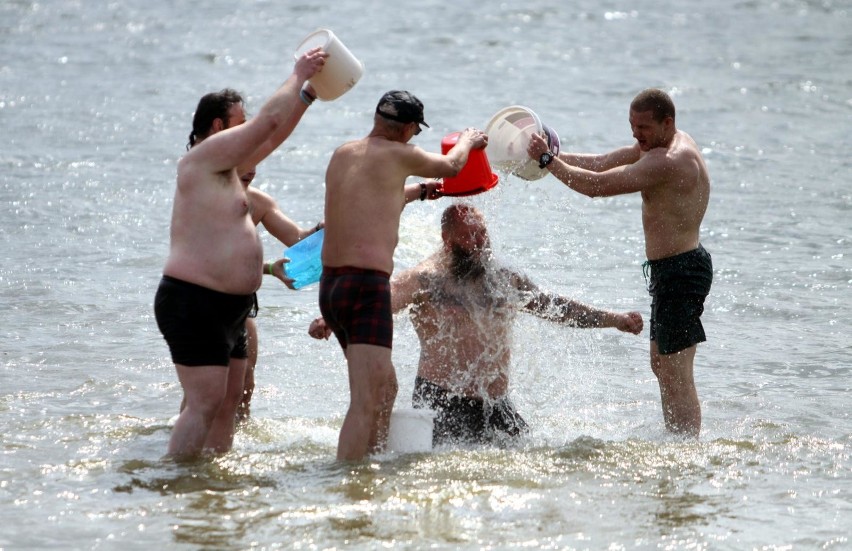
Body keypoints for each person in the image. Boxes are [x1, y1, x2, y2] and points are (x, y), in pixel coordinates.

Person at [310, 204, 644, 445]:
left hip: (496, 405)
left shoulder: (503, 278)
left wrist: (613, 319)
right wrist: (333, 317)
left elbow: (553, 307)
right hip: (442, 402)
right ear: (447, 239)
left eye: (483, 233)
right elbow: (379, 302)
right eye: (470, 236)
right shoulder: (425, 279)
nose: (480, 242)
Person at [154, 46, 327, 459]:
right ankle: (178, 480)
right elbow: (267, 122)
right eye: (240, 123)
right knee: (203, 402)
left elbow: (274, 133)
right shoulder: (200, 161)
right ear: (219, 126)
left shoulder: (228, 170)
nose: (249, 130)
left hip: (233, 307)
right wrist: (298, 73)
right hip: (195, 300)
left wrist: (307, 97)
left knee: (232, 400)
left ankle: (214, 479)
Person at [526, 88, 712, 437]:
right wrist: (550, 155)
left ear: (667, 123)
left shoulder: (667, 162)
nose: (634, 134)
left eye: (642, 126)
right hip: (672, 271)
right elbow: (600, 162)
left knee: (675, 371)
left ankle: (686, 447)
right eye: (631, 124)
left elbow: (596, 186)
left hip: (682, 272)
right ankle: (677, 436)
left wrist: (550, 163)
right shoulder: (656, 146)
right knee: (661, 365)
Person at [319, 90, 489, 461]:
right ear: (409, 128)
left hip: (332, 286)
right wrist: (468, 141)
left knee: (385, 388)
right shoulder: (401, 153)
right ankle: (347, 483)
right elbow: (453, 166)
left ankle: (376, 461)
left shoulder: (344, 154)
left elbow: (374, 199)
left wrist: (421, 192)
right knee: (365, 399)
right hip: (366, 286)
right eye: (415, 132)